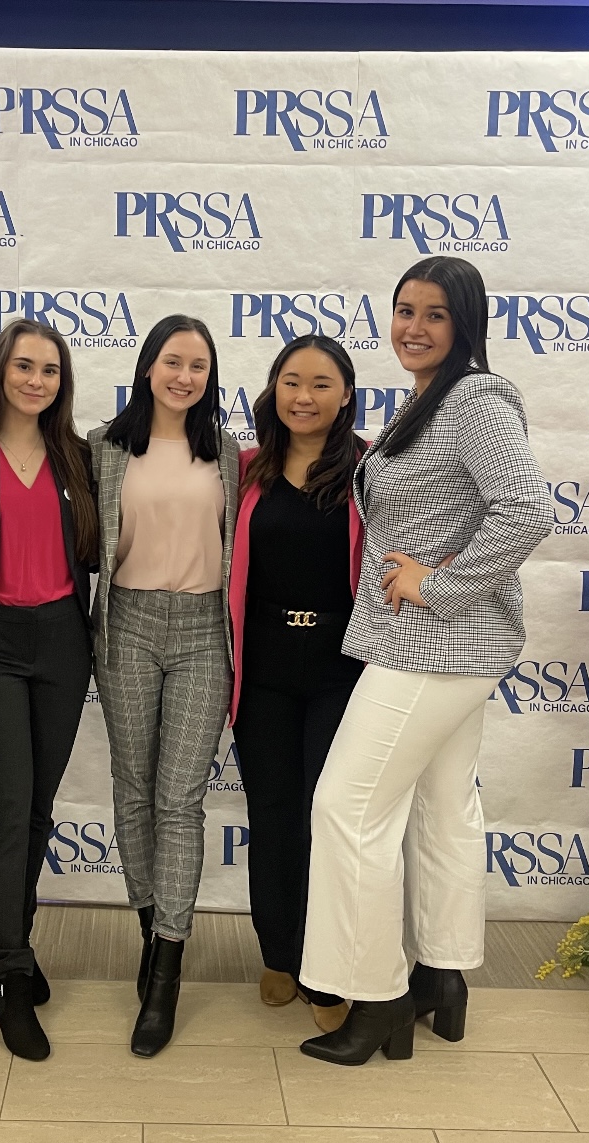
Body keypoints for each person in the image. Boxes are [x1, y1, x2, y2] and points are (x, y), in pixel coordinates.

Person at [298, 256, 554, 1066]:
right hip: (442, 647)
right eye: (404, 309)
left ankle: (378, 997)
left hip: (436, 643)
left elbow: (527, 508)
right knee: (446, 811)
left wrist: (440, 586)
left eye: (434, 314)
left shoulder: (474, 397)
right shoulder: (426, 401)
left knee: (347, 808)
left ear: (464, 323)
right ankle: (443, 977)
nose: (413, 326)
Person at [89, 314, 238, 1058]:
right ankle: (150, 932)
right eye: (173, 361)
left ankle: (168, 970)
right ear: (148, 367)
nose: (185, 377)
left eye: (200, 367)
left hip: (205, 631)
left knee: (180, 799)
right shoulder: (104, 450)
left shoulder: (232, 456)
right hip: (128, 625)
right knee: (133, 790)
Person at [0, 319, 97, 1062]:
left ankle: (19, 938)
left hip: (64, 647)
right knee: (8, 808)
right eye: (24, 366)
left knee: (38, 809)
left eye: (50, 369)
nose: (37, 380)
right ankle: (7, 971)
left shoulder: (78, 455)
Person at [228, 335, 364, 1036]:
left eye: (320, 383)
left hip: (343, 671)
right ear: (273, 390)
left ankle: (326, 966)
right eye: (290, 381)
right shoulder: (247, 469)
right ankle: (278, 951)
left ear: (346, 394)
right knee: (274, 813)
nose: (303, 396)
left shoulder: (373, 470)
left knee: (330, 820)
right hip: (265, 671)